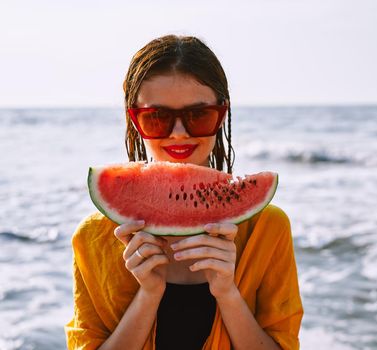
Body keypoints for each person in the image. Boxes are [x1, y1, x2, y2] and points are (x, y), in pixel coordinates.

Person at [65, 35, 303, 350]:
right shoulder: (93, 237)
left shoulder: (267, 228)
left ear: (222, 115)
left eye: (199, 115)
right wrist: (148, 295)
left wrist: (227, 293)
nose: (179, 133)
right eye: (157, 117)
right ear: (134, 119)